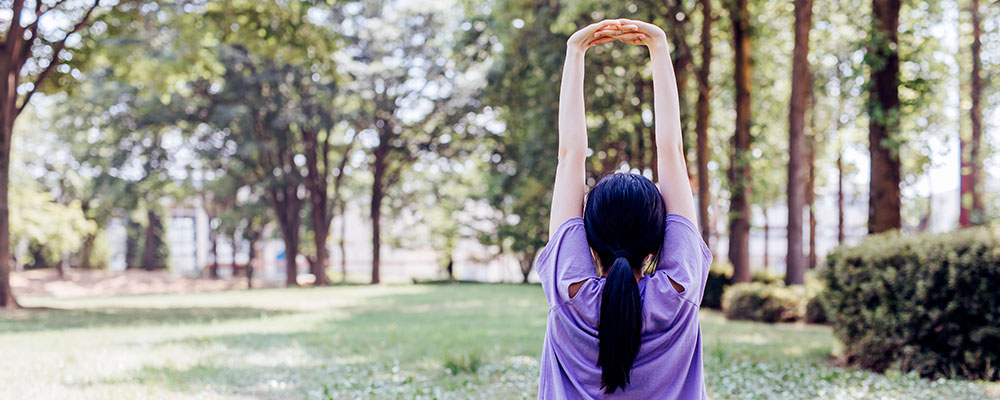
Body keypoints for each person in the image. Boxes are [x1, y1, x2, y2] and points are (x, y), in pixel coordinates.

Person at [535, 19, 713, 399]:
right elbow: (672, 155)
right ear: (657, 241)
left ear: (587, 238)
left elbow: (569, 157)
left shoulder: (570, 290)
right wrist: (659, 48)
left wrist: (576, 52)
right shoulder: (680, 290)